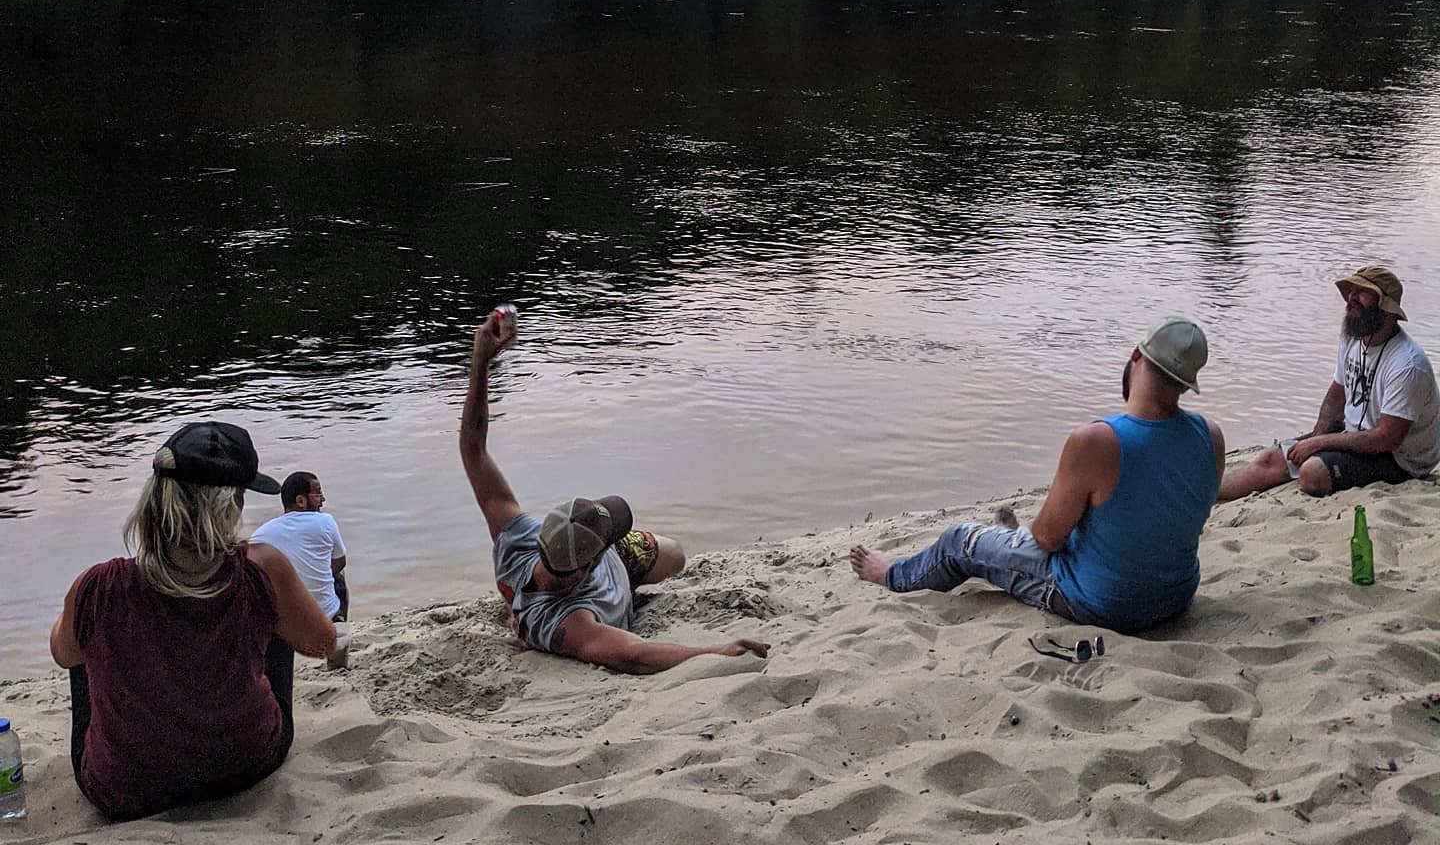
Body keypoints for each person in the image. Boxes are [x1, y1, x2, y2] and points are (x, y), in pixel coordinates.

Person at [851, 317, 1225, 632]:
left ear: (1135, 356)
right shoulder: (1210, 435)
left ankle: (890, 575)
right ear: (1186, 383)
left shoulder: (1096, 440)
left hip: (1103, 604)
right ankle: (1004, 537)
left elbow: (1047, 538)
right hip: (1174, 597)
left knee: (958, 541)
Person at [48, 420, 338, 822]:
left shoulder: (97, 585)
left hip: (122, 791)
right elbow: (322, 643)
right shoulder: (262, 567)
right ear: (231, 503)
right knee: (271, 607)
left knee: (85, 635)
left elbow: (63, 656)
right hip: (245, 763)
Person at [460, 307, 770, 672]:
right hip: (607, 576)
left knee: (675, 555)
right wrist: (717, 653)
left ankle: (605, 567)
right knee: (675, 555)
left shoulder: (516, 540)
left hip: (606, 561)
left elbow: (473, 451)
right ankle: (621, 581)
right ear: (587, 565)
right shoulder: (571, 624)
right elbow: (634, 655)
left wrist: (480, 361)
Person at [1219, 266, 1439, 501]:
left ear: (1386, 308)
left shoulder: (1408, 365)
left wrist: (1319, 444)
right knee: (1271, 460)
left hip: (1400, 458)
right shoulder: (1352, 337)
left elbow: (1387, 438)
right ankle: (1205, 495)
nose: (1352, 298)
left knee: (1312, 472)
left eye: (1362, 293)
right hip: (1356, 435)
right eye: (1351, 291)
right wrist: (1317, 435)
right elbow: (1336, 395)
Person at [252, 472, 349, 623]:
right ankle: (340, 623)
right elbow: (340, 562)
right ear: (301, 501)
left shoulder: (260, 534)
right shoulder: (325, 522)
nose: (323, 499)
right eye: (318, 494)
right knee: (339, 576)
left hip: (284, 624)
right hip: (325, 617)